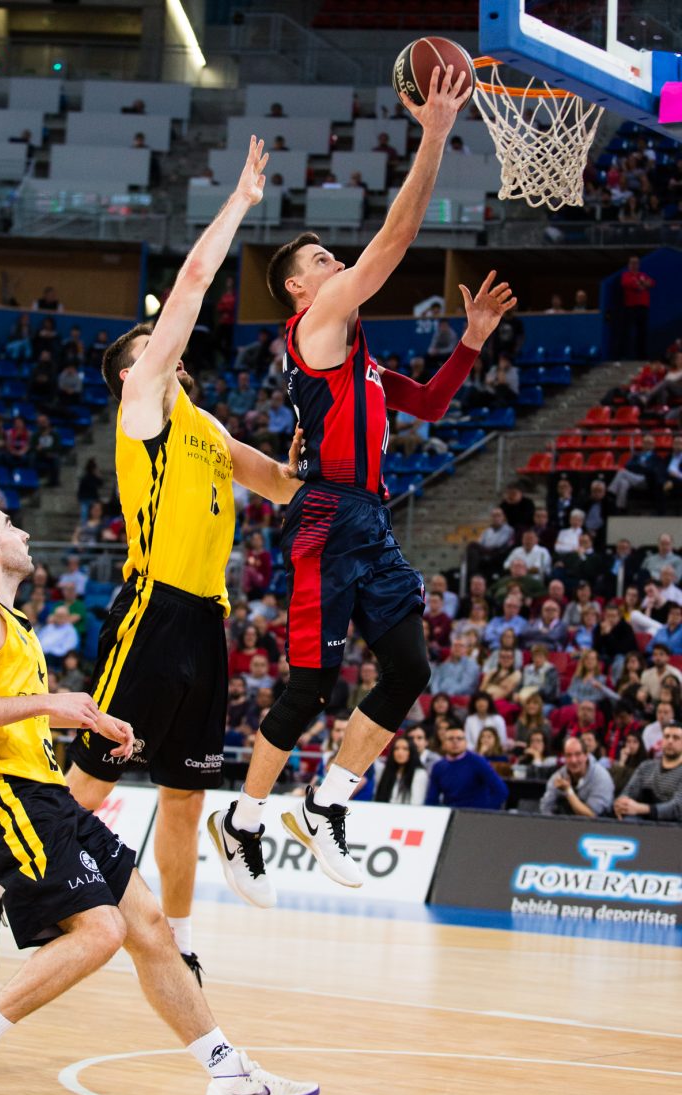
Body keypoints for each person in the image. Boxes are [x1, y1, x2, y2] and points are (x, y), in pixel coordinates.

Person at [0, 140, 302, 986]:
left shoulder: (210, 429)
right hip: (153, 610)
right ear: (133, 374)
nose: (172, 353)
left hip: (209, 620)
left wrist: (322, 441)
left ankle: (176, 935)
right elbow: (188, 292)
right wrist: (240, 206)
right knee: (87, 784)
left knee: (185, 796)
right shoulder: (141, 410)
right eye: (154, 349)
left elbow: (284, 486)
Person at [209, 70, 517, 907]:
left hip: (366, 516)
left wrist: (468, 343)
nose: (335, 261)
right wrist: (434, 135)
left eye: (330, 256)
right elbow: (393, 241)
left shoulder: (361, 360)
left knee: (411, 666)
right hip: (324, 515)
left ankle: (327, 802)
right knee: (310, 686)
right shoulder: (315, 325)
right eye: (321, 260)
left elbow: (429, 403)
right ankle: (242, 819)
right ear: (301, 292)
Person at [0, 499, 319, 1095]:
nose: (24, 531)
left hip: (48, 794)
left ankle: (230, 1076)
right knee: (102, 931)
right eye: (9, 527)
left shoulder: (12, 621)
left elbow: (21, 713)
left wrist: (97, 719)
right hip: (9, 796)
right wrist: (52, 705)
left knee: (151, 928)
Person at [425, 726, 508, 809]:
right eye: (450, 739)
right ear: (443, 744)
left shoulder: (478, 762)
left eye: (459, 738)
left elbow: (501, 791)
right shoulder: (438, 767)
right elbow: (431, 799)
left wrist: (485, 811)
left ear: (466, 742)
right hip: (452, 814)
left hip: (476, 814)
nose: (455, 742)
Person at [614, 721, 682, 822]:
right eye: (666, 737)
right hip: (641, 824)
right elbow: (627, 792)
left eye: (676, 738)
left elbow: (677, 808)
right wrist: (621, 804)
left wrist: (641, 808)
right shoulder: (646, 766)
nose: (670, 741)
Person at [539, 736, 615, 817]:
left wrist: (568, 791)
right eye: (568, 755)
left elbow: (591, 815)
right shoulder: (559, 776)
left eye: (578, 754)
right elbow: (545, 808)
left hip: (598, 827)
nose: (573, 760)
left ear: (586, 755)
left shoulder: (601, 777)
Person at [374, 735, 428, 804]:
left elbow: (416, 802)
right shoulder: (384, 771)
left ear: (412, 752)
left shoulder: (419, 774)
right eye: (396, 748)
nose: (400, 752)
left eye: (405, 749)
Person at [620, 255, 654, 359]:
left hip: (643, 308)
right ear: (629, 265)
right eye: (632, 263)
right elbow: (630, 284)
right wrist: (642, 284)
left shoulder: (642, 275)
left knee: (642, 333)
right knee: (627, 333)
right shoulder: (626, 275)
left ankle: (641, 356)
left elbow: (651, 283)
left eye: (636, 263)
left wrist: (642, 283)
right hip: (631, 308)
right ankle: (626, 356)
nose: (634, 265)